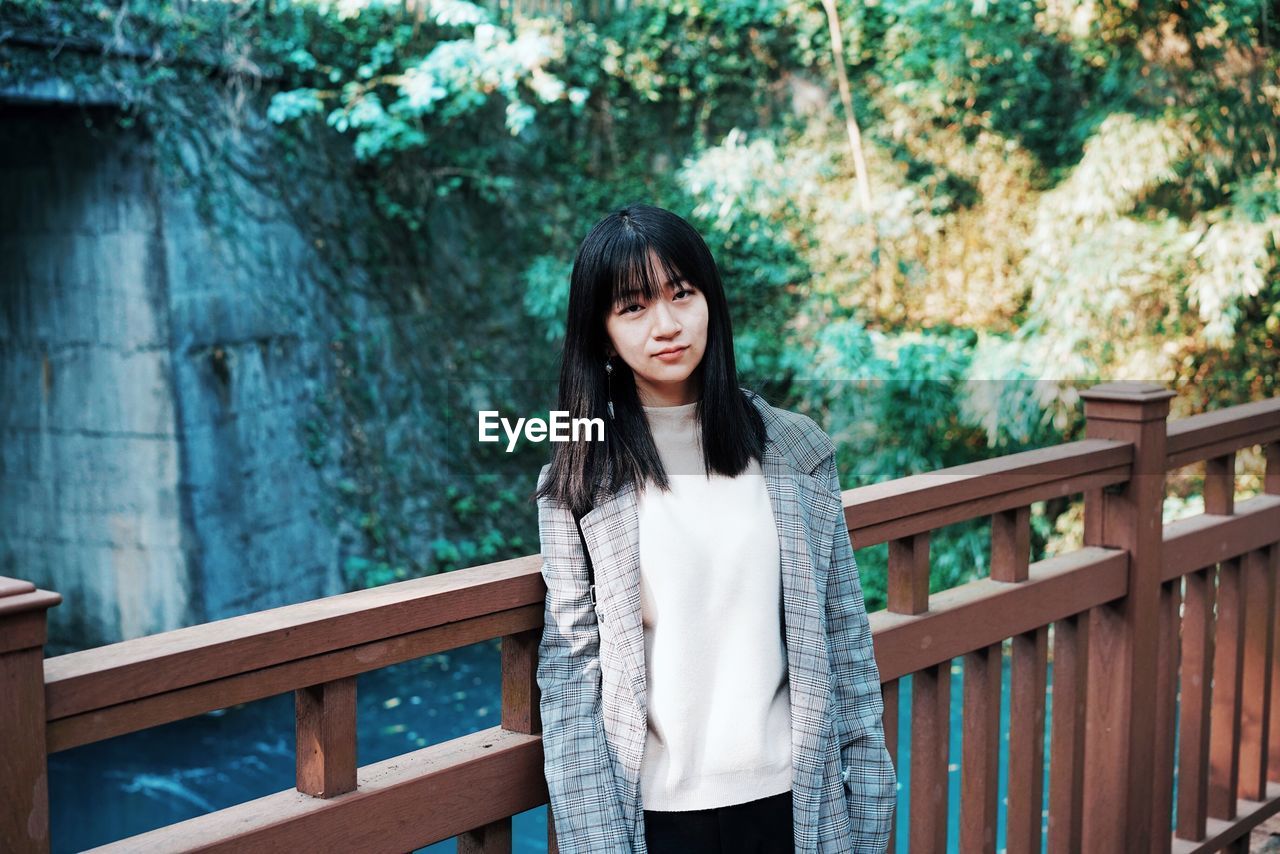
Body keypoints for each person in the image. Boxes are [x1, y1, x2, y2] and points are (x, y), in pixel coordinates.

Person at [532, 203, 896, 853]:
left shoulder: (798, 451)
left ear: (710, 302)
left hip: (794, 804)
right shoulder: (577, 477)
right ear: (602, 332)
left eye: (681, 294)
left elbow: (846, 646)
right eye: (633, 307)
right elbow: (571, 682)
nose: (666, 324)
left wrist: (870, 808)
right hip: (656, 816)